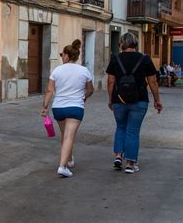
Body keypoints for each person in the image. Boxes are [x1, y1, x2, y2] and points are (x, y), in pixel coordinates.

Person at [106, 32, 163, 174]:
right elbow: (153, 82)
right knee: (133, 131)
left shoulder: (115, 59)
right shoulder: (145, 59)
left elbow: (111, 81)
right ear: (135, 43)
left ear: (121, 44)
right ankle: (130, 164)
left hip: (119, 100)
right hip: (140, 100)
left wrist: (111, 99)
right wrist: (157, 100)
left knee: (120, 127)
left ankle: (118, 156)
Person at [41, 39, 94, 178]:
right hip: (75, 108)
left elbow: (49, 90)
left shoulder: (57, 70)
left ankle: (69, 160)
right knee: (69, 137)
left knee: (65, 136)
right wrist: (84, 97)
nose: (61, 57)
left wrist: (44, 107)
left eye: (61, 54)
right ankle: (62, 166)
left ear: (66, 55)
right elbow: (90, 90)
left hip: (58, 107)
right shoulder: (84, 71)